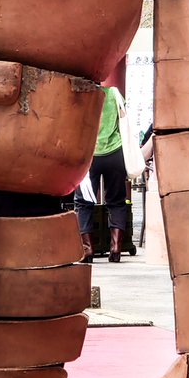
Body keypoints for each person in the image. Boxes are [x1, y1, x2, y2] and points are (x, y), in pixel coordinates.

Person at [75, 85, 128, 263]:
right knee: (117, 201)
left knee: (84, 202)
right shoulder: (113, 93)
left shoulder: (82, 93)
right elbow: (123, 117)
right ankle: (116, 247)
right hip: (115, 153)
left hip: (90, 155)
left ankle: (88, 249)